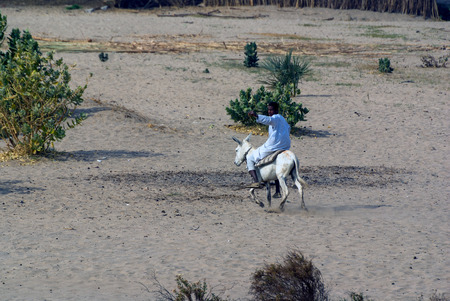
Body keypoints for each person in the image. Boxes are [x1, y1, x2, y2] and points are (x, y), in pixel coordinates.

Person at [245, 102, 291, 189]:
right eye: (269, 110)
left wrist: (256, 116)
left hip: (275, 145)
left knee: (250, 158)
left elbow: (268, 120)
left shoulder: (274, 118)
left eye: (271, 110)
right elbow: (288, 129)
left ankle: (256, 182)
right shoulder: (282, 119)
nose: (269, 112)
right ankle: (277, 188)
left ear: (276, 110)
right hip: (285, 146)